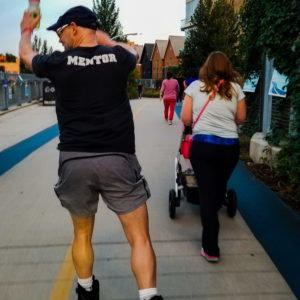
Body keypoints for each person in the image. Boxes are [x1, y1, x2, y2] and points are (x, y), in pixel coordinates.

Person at [19, 6, 163, 300]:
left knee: (82, 234)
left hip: (74, 161)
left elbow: (25, 55)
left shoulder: (58, 62)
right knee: (139, 238)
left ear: (74, 27)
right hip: (118, 159)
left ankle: (86, 292)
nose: (59, 40)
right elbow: (133, 53)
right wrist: (106, 40)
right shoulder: (117, 58)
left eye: (60, 32)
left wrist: (26, 29)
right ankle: (149, 296)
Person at [181, 51, 246, 262]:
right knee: (218, 188)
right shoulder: (236, 89)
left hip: (203, 146)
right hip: (229, 147)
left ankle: (210, 248)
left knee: (207, 195)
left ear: (207, 67)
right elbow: (241, 118)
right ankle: (216, 206)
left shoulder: (194, 87)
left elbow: (186, 118)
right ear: (227, 67)